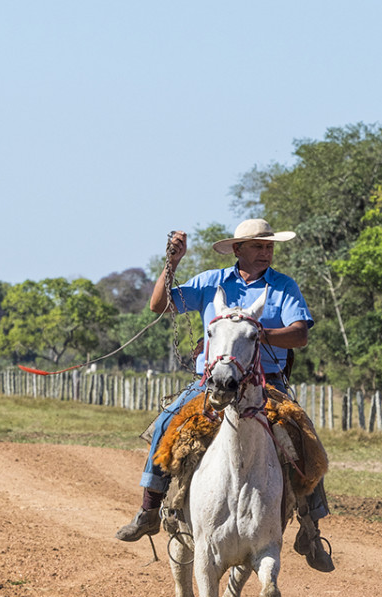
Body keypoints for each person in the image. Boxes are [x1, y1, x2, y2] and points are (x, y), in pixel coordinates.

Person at [115, 218, 334, 572]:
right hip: (211, 383)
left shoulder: (283, 286)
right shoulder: (210, 282)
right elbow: (159, 305)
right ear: (238, 250)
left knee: (304, 436)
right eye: (258, 247)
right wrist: (171, 263)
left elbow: (299, 335)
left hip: (266, 383)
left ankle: (311, 529)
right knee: (168, 422)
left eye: (269, 247)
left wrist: (261, 335)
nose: (266, 253)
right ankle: (149, 509)